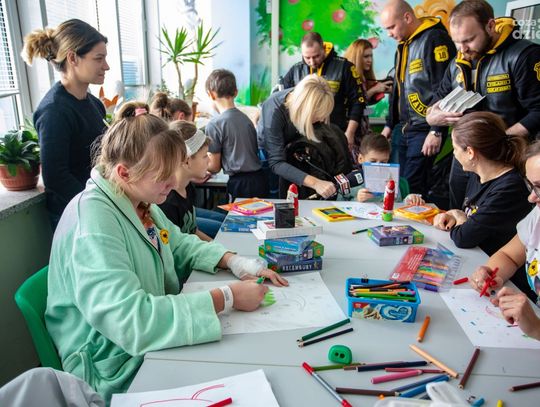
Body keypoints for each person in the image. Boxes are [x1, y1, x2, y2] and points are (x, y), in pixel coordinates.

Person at [45, 102, 288, 401]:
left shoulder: (135, 197)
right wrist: (226, 297)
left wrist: (233, 260)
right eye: (162, 175)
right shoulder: (94, 223)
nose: (173, 183)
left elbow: (177, 241)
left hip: (143, 345)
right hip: (111, 366)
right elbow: (132, 322)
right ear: (124, 172)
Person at [426, 0, 540, 209]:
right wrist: (433, 121)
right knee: (458, 211)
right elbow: (436, 103)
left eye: (469, 40)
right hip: (464, 157)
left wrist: (500, 140)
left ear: (490, 25)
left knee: (494, 217)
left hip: (507, 156)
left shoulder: (524, 55)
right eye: (457, 42)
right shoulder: (457, 62)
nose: (462, 49)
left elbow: (538, 111)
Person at [22, 19, 110, 228]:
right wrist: (98, 204)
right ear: (72, 58)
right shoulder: (54, 111)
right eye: (99, 58)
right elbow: (56, 176)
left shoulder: (94, 104)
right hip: (77, 216)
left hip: (98, 206)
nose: (106, 66)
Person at [380, 0, 456, 198]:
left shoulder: (435, 38)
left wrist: (436, 130)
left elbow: (445, 88)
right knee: (397, 186)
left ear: (407, 17)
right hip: (402, 128)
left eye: (391, 27)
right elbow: (398, 90)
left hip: (424, 129)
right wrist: (389, 125)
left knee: (413, 188)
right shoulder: (403, 45)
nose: (389, 33)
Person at [433, 112, 532, 257]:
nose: (454, 154)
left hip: (493, 264)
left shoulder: (509, 188)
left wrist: (459, 216)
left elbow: (463, 237)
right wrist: (453, 215)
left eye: (455, 148)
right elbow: (469, 221)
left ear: (470, 152)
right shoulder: (478, 174)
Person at [469, 141, 540, 340]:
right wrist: (491, 273)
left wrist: (536, 328)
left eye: (539, 187)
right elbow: (509, 256)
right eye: (531, 185)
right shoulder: (537, 217)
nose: (531, 198)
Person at [258, 74, 352, 199]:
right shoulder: (274, 111)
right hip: (270, 156)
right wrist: (316, 183)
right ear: (305, 109)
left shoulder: (307, 96)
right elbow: (276, 163)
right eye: (317, 116)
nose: (321, 120)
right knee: (277, 197)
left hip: (292, 148)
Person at [281, 32, 365, 155]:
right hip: (302, 136)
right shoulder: (295, 70)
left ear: (323, 49)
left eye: (316, 56)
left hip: (336, 133)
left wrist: (350, 133)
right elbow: (281, 98)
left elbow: (358, 101)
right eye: (307, 57)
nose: (312, 62)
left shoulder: (344, 67)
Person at [205, 69, 269, 201]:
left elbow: (215, 167)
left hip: (240, 184)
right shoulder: (247, 120)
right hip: (259, 180)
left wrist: (196, 167)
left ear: (211, 94)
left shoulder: (214, 124)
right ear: (236, 92)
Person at [159, 120, 222, 241]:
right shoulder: (167, 203)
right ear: (187, 161)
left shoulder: (187, 187)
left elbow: (193, 230)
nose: (209, 160)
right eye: (205, 156)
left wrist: (219, 248)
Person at [344, 38, 393, 155]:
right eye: (366, 56)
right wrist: (374, 90)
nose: (370, 60)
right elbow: (353, 104)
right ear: (356, 57)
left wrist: (380, 91)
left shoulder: (364, 78)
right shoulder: (348, 76)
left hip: (363, 130)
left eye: (371, 56)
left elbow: (364, 108)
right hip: (351, 131)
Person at [350, 133, 424, 205]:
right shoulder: (352, 182)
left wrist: (409, 199)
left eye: (383, 162)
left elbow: (399, 204)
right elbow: (343, 204)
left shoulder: (396, 183)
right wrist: (357, 200)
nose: (378, 167)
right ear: (360, 159)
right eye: (373, 161)